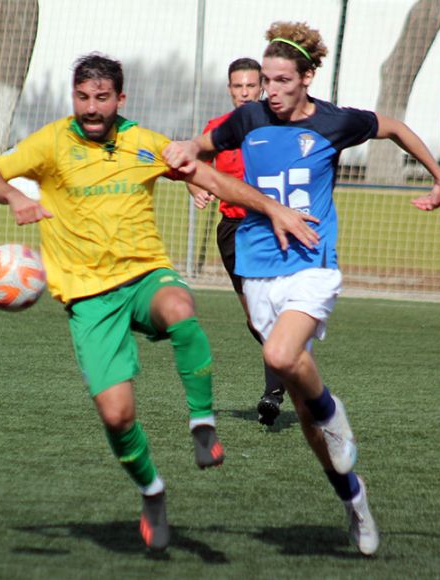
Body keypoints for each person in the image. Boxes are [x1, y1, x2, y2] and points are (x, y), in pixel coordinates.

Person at [0, 52, 319, 552]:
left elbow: (211, 178)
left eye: (102, 98)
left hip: (143, 276)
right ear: (75, 97)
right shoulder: (50, 142)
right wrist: (15, 197)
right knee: (117, 417)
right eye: (83, 97)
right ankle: (152, 491)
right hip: (88, 298)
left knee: (180, 307)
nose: (91, 108)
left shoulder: (143, 143)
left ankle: (202, 423)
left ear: (120, 99)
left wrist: (272, 208)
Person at [164, 22, 440, 556]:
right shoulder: (247, 118)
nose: (269, 90)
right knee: (305, 413)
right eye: (264, 80)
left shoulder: (334, 121)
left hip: (312, 265)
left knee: (278, 353)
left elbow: (392, 127)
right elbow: (201, 145)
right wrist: (185, 153)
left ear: (307, 78)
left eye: (280, 80)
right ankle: (354, 500)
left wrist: (438, 177)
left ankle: (333, 412)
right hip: (257, 269)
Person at [186, 57, 287, 426]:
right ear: (229, 89)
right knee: (256, 316)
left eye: (250, 86)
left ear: (261, 86)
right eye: (237, 87)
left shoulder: (278, 122)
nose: (244, 93)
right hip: (233, 231)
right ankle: (286, 362)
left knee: (278, 309)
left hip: (273, 226)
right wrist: (194, 184)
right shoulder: (219, 128)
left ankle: (274, 391)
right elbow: (190, 161)